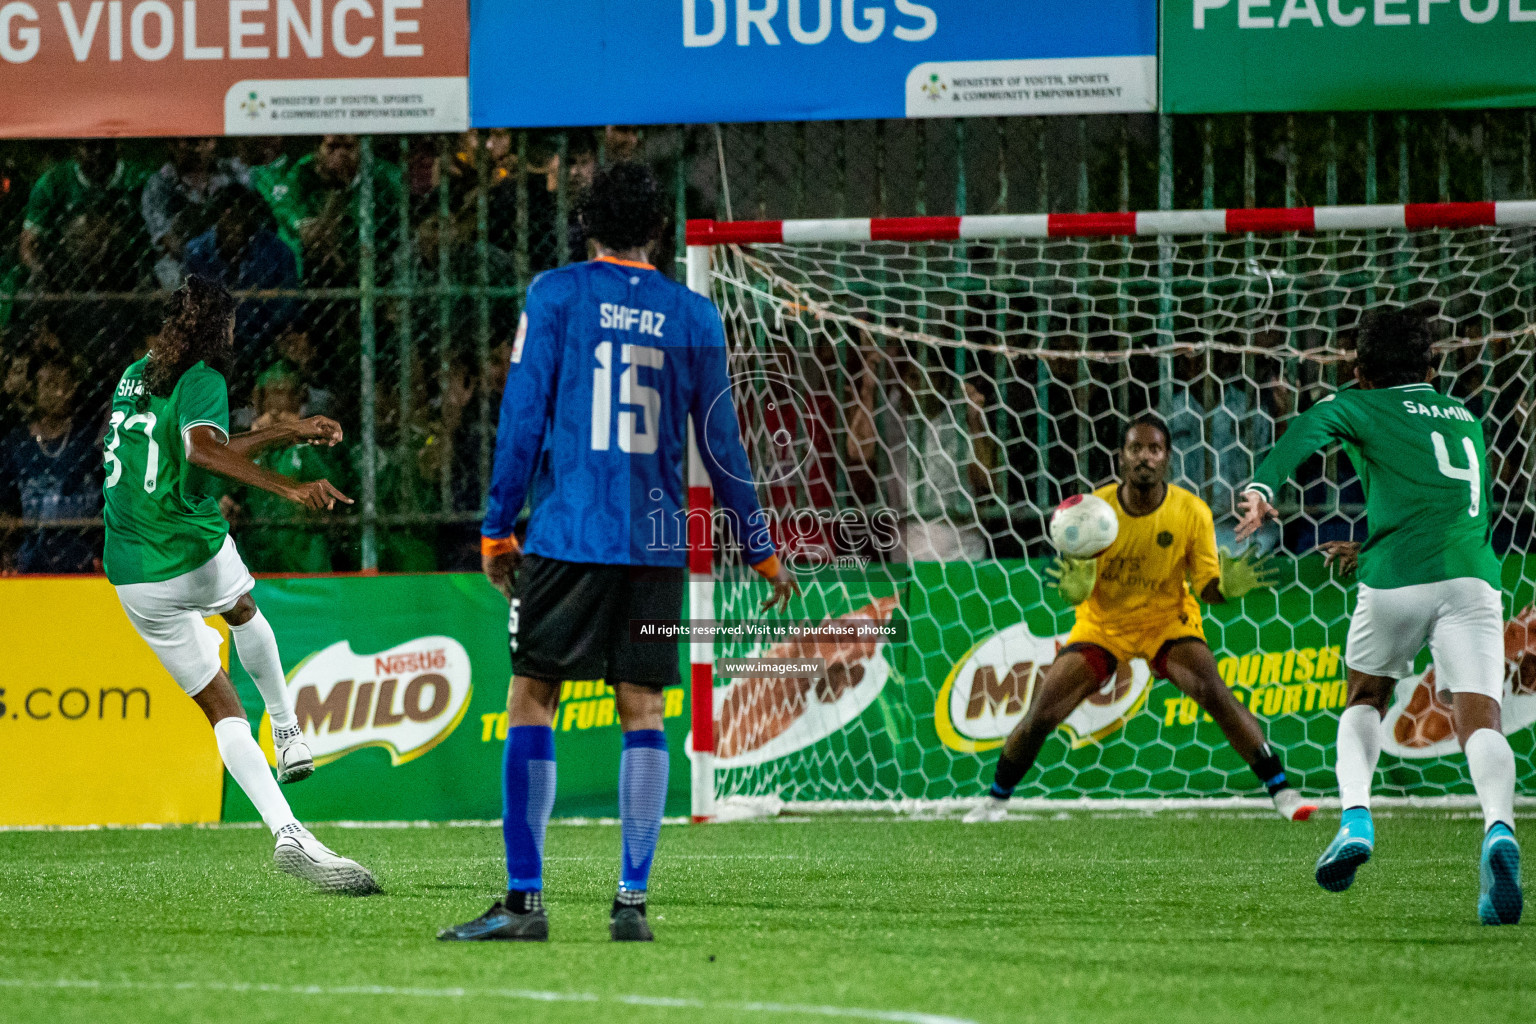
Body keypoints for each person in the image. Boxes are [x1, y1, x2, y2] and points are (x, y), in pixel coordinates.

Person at [439, 162, 797, 944]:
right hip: (654, 541)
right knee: (644, 709)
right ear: (659, 232)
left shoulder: (556, 294)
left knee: (534, 696)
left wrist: (499, 527)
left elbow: (522, 418)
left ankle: (524, 904)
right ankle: (630, 901)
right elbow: (724, 445)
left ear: (587, 225)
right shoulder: (695, 315)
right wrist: (762, 549)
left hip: (570, 532)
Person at [1236, 307, 1522, 925]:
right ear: (1433, 364)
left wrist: (1261, 490)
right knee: (1481, 720)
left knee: (1364, 698)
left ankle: (1357, 818)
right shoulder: (1464, 418)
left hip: (1395, 581)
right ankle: (1499, 830)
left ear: (1358, 369)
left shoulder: (1361, 404)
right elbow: (1442, 504)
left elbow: (1309, 428)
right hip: (1475, 579)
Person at [102, 276, 377, 894]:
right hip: (186, 547)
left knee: (221, 705)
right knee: (244, 609)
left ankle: (288, 831)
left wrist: (287, 429)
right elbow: (203, 453)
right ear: (219, 328)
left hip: (129, 572)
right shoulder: (203, 375)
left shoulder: (136, 373)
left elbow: (200, 446)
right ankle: (286, 728)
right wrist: (289, 485)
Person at [966, 414, 1316, 824]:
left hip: (1166, 622)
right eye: (1136, 449)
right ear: (1122, 457)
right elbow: (1074, 587)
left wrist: (1225, 589)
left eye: (1154, 449)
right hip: (1102, 626)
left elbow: (1206, 587)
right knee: (1043, 713)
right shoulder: (1093, 512)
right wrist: (1073, 590)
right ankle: (995, 800)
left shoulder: (1191, 511)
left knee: (1212, 690)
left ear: (1167, 457)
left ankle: (1282, 791)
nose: (1145, 458)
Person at [0, 354, 102, 574]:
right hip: (30, 556)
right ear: (34, 390)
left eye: (65, 385)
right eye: (49, 384)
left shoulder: (89, 441)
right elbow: (5, 503)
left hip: (82, 555)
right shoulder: (17, 444)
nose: (58, 393)